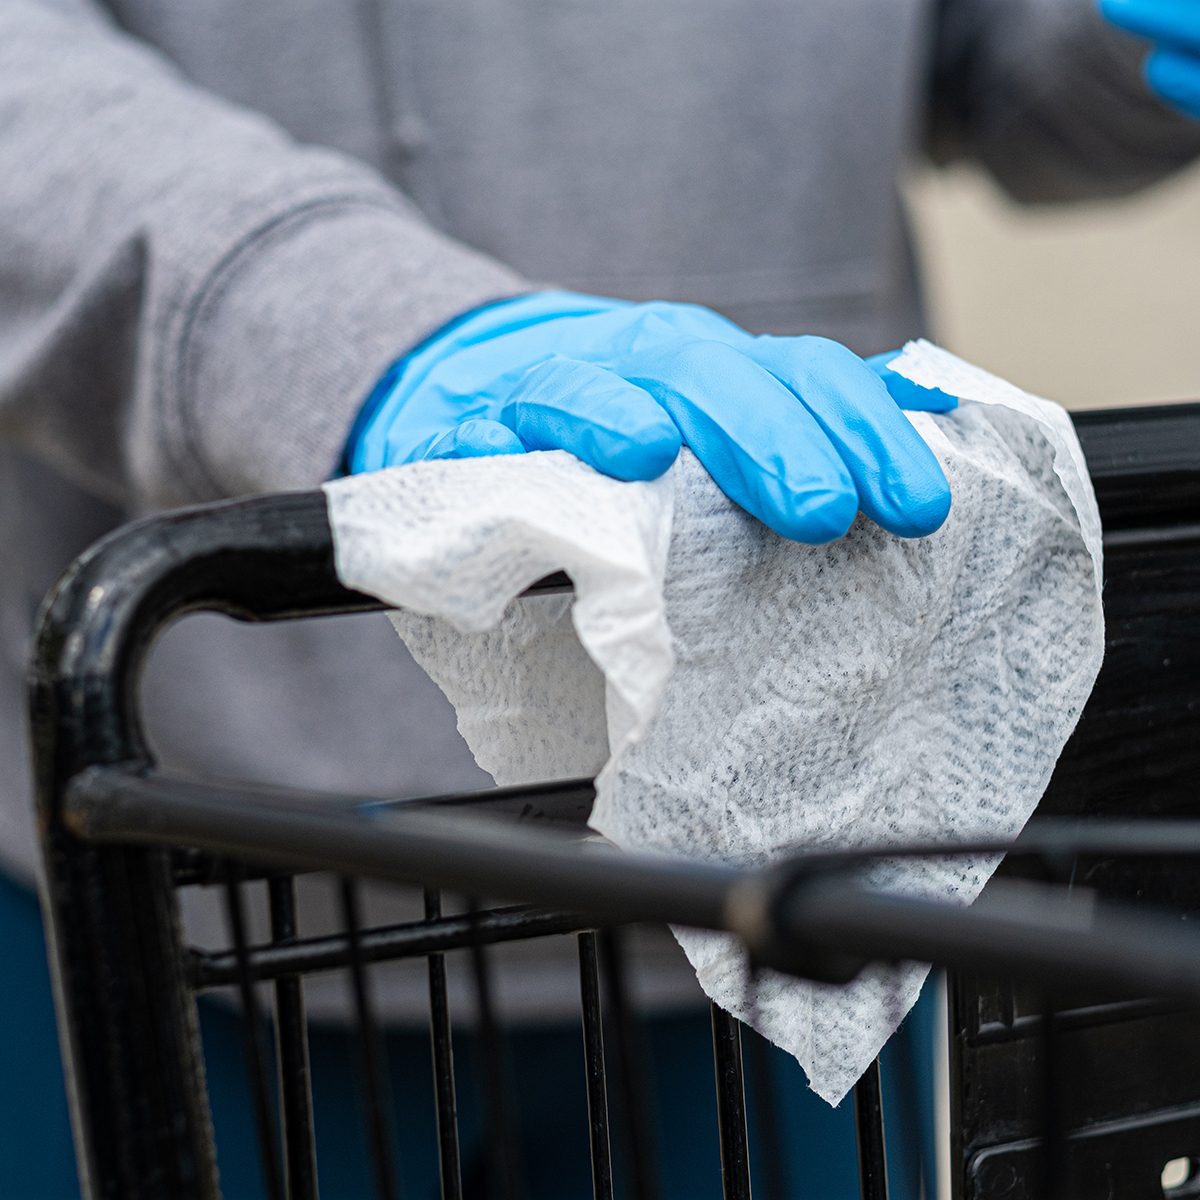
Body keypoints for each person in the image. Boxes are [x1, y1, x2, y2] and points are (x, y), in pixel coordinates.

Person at [3, 1, 1200, 1196]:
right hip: (193, 863)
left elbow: (1003, 74)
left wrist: (1122, 43)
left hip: (789, 845)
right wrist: (331, 322)